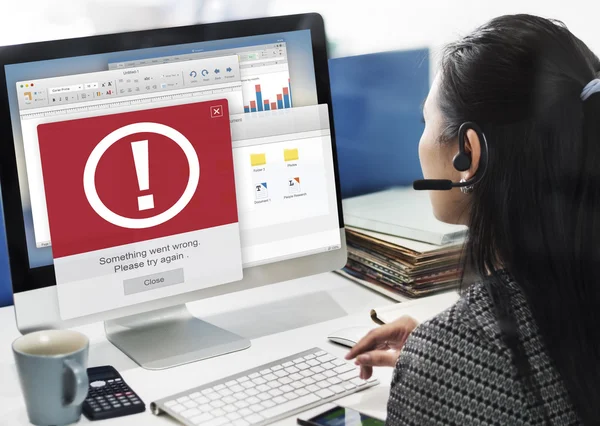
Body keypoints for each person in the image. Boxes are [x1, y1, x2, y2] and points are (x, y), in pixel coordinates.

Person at [346, 14, 600, 425]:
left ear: (468, 153)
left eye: (425, 122)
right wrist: (454, 348)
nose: (421, 140)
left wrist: (447, 358)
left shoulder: (448, 360)